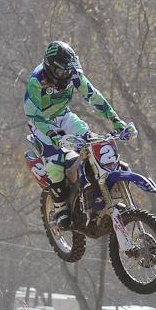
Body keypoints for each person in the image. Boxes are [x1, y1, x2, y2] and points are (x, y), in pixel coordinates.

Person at [24, 40, 134, 228]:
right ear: (50, 69)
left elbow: (93, 96)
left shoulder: (73, 74)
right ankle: (60, 206)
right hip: (41, 123)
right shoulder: (36, 81)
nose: (66, 75)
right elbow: (33, 114)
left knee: (93, 141)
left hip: (64, 116)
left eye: (68, 70)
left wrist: (115, 120)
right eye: (61, 72)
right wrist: (52, 134)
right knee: (55, 157)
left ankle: (95, 190)